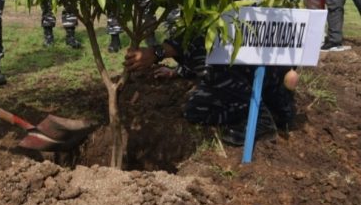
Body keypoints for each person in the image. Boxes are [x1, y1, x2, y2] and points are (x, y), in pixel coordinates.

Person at [124, 35, 296, 146]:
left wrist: (156, 53)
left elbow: (204, 44)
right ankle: (267, 109)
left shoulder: (225, 3)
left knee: (212, 62)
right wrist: (179, 71)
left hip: (267, 76)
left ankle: (261, 120)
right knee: (197, 110)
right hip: (251, 73)